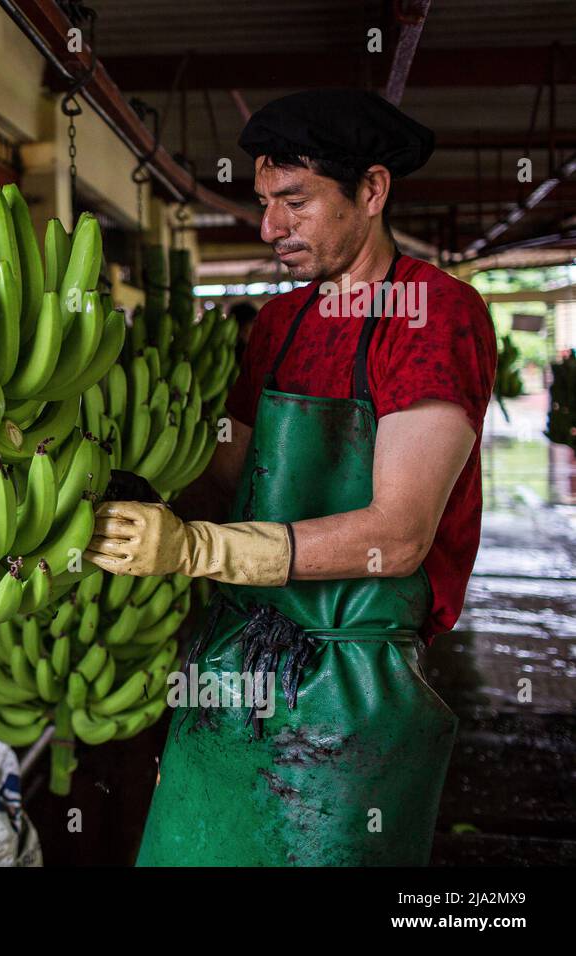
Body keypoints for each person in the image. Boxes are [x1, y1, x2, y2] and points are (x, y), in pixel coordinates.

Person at [88, 89, 497, 866]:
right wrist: (130, 483)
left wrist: (198, 551)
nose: (271, 227)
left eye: (296, 201)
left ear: (371, 191)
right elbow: (229, 473)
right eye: (265, 202)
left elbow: (399, 535)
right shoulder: (279, 325)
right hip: (235, 666)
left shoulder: (433, 316)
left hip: (353, 684)